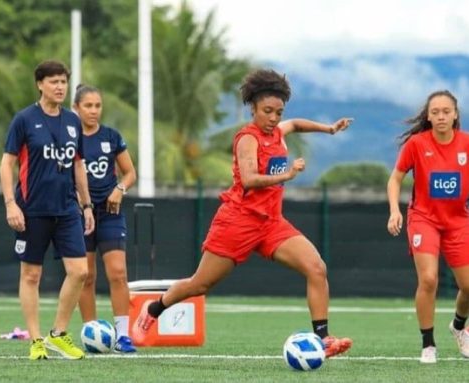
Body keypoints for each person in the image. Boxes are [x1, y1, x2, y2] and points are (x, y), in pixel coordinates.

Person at [134, 68, 353, 357]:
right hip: (238, 222)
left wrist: (328, 129)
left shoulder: (278, 130)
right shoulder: (246, 138)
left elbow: (295, 124)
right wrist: (286, 176)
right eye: (267, 111)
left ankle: (322, 339)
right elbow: (249, 179)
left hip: (272, 223)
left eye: (278, 112)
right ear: (253, 108)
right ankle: (153, 308)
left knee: (316, 268)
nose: (273, 118)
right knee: (200, 284)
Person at [0, 60, 95, 360]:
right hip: (31, 210)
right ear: (40, 84)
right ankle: (36, 340)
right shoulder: (24, 119)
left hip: (67, 210)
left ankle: (58, 334)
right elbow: (7, 163)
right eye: (53, 82)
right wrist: (11, 204)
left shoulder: (72, 120)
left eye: (63, 82)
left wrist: (87, 204)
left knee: (80, 271)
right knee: (31, 275)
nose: (59, 87)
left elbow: (78, 164)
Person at [387, 90, 469, 363]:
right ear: (429, 116)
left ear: (455, 114)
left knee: (468, 287)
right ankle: (428, 345)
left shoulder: (466, 144)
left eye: (446, 111)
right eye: (435, 112)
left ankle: (458, 327)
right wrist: (394, 211)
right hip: (424, 220)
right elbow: (395, 179)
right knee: (429, 279)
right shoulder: (417, 144)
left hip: (458, 222)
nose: (441, 116)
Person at [73, 84, 137, 353]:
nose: (94, 111)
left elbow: (130, 173)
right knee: (85, 276)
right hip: (79, 215)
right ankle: (92, 332)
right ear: (76, 108)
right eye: (88, 105)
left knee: (118, 274)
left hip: (110, 214)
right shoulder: (69, 138)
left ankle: (123, 336)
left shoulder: (112, 136)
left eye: (97, 105)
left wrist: (119, 190)